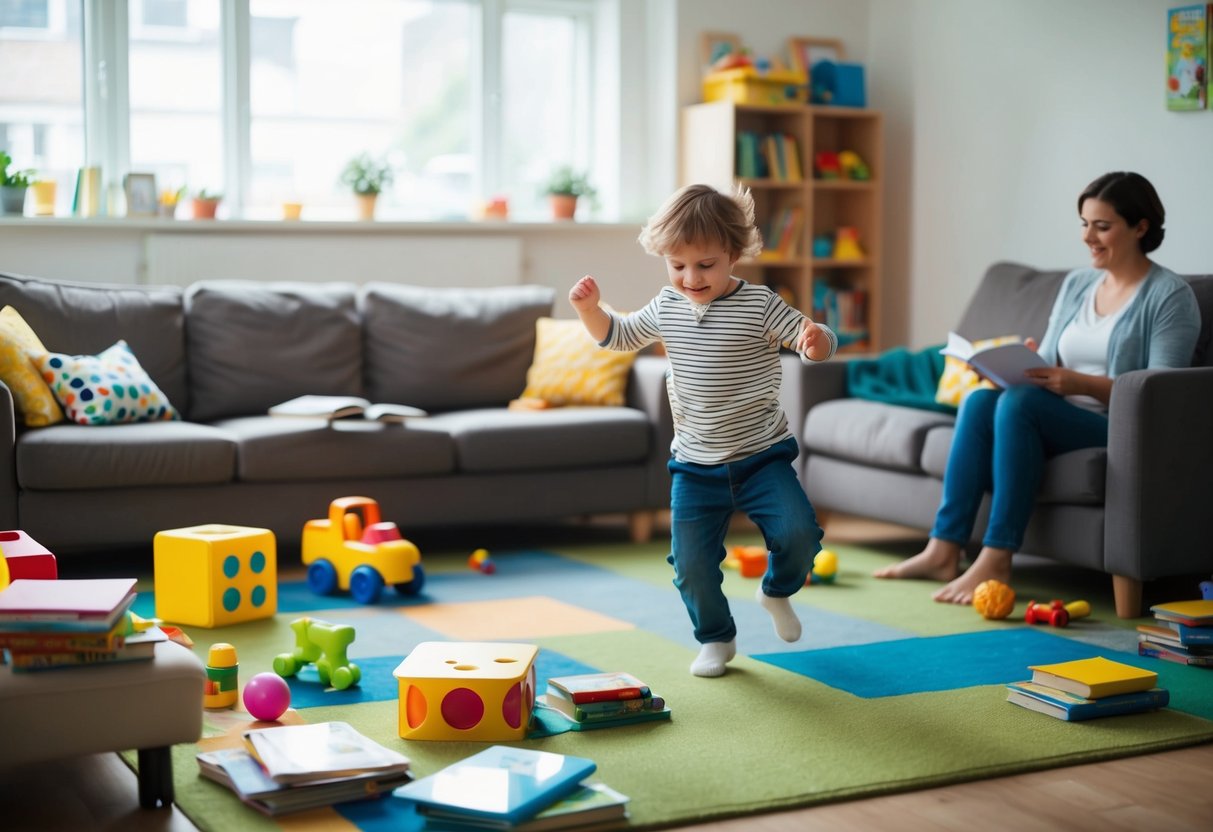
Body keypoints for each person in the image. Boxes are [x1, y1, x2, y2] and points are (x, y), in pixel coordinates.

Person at [874, 171, 1201, 603]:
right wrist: (1020, 364)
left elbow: (1160, 395)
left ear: (1141, 227)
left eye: (1102, 226)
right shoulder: (1078, 285)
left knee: (1020, 404)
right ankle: (943, 548)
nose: (1088, 236)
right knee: (982, 401)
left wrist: (1076, 383)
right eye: (1084, 223)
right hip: (1057, 410)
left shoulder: (1168, 296)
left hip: (1119, 427)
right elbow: (1048, 359)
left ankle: (997, 557)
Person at [568, 183, 838, 677]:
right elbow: (620, 336)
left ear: (733, 255)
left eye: (705, 265)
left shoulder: (760, 304)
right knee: (689, 566)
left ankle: (775, 592)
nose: (690, 277)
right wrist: (591, 310)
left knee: (799, 534)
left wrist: (816, 342)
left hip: (761, 456)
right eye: (677, 265)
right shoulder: (667, 305)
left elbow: (813, 342)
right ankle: (716, 638)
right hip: (694, 464)